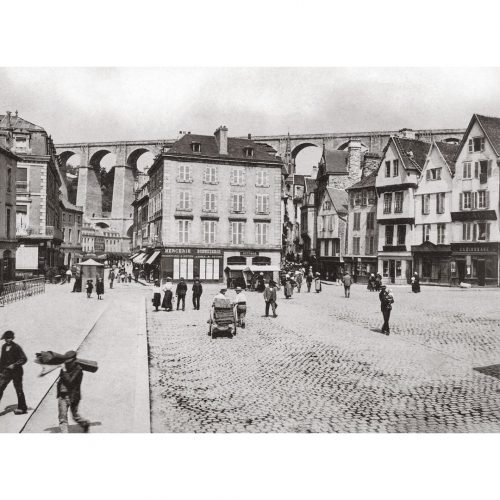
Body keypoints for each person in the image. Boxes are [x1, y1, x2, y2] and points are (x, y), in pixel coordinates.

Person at [57, 350, 90, 433]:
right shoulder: (64, 367)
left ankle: (85, 423)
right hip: (63, 396)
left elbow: (70, 382)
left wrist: (64, 371)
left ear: (73, 360)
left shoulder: (78, 370)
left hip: (73, 397)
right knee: (62, 418)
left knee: (75, 416)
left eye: (68, 361)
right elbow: (61, 380)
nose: (66, 363)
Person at [0, 330, 28, 415]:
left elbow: (24, 359)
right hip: (6, 372)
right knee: (0, 387)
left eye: (9, 338)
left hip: (17, 372)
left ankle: (22, 408)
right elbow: (2, 360)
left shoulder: (16, 347)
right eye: (6, 338)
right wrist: (0, 371)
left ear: (12, 338)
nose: (7, 340)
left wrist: (14, 365)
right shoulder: (4, 346)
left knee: (18, 389)